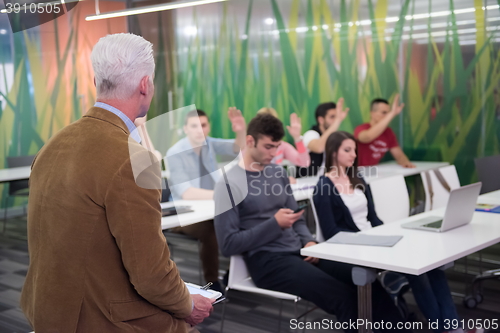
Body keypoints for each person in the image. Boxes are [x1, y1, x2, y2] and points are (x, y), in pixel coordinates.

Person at [20, 33, 213, 333]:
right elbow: (150, 275)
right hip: (97, 319)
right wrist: (188, 304)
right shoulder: (136, 159)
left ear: (97, 82)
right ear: (145, 85)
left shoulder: (51, 146)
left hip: (45, 310)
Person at [213, 114, 411, 333]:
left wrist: (308, 241)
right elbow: (228, 244)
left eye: (277, 147)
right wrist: (274, 224)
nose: (274, 153)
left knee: (365, 278)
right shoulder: (228, 184)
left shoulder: (277, 173)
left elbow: (296, 217)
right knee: (343, 297)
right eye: (268, 147)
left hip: (299, 251)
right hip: (267, 260)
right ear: (250, 141)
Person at [313, 131, 464, 333]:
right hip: (355, 247)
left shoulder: (356, 178)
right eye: (347, 150)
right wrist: (366, 239)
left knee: (432, 266)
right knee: (417, 271)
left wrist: (386, 234)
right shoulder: (324, 187)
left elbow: (373, 218)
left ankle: (451, 327)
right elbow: (331, 232)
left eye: (354, 150)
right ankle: (444, 329)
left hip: (375, 240)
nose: (353, 155)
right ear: (333, 152)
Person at [165, 107, 246, 292]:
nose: (199, 130)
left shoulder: (209, 143)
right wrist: (222, 195)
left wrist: (240, 130)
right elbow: (186, 193)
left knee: (242, 220)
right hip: (183, 214)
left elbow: (238, 147)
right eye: (194, 126)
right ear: (185, 128)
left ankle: (233, 273)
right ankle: (213, 284)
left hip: (210, 207)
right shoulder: (174, 152)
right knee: (212, 229)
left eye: (203, 125)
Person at [354, 95, 415, 167]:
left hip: (375, 172)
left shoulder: (388, 132)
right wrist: (392, 114)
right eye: (384, 112)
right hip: (357, 172)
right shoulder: (361, 128)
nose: (387, 116)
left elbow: (399, 156)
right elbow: (367, 137)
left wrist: (406, 163)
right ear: (372, 113)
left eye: (388, 113)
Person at [297, 99, 349, 177]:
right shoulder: (310, 134)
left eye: (336, 116)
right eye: (332, 117)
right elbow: (319, 148)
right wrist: (338, 120)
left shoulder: (335, 137)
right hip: (307, 183)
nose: (335, 120)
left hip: (327, 181)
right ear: (321, 120)